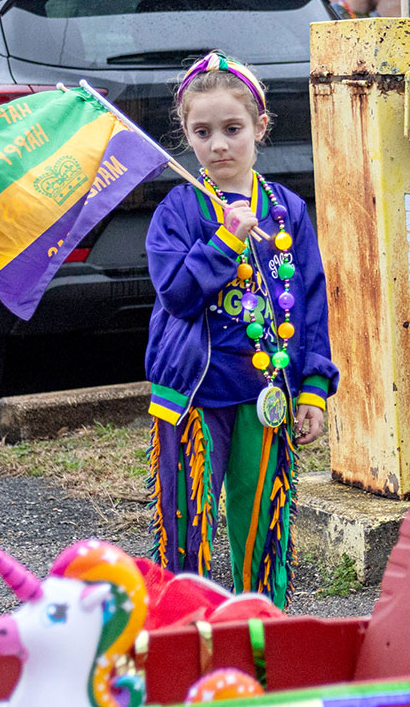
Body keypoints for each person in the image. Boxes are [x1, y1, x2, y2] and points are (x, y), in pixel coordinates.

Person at [144, 52, 338, 607]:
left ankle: (260, 631)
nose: (219, 145)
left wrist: (313, 390)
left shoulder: (287, 211)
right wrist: (224, 242)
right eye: (202, 132)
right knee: (188, 530)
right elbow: (177, 296)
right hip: (192, 401)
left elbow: (310, 304)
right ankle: (186, 635)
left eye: (232, 129)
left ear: (260, 127)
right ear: (185, 134)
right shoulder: (178, 212)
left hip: (265, 397)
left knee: (262, 529)